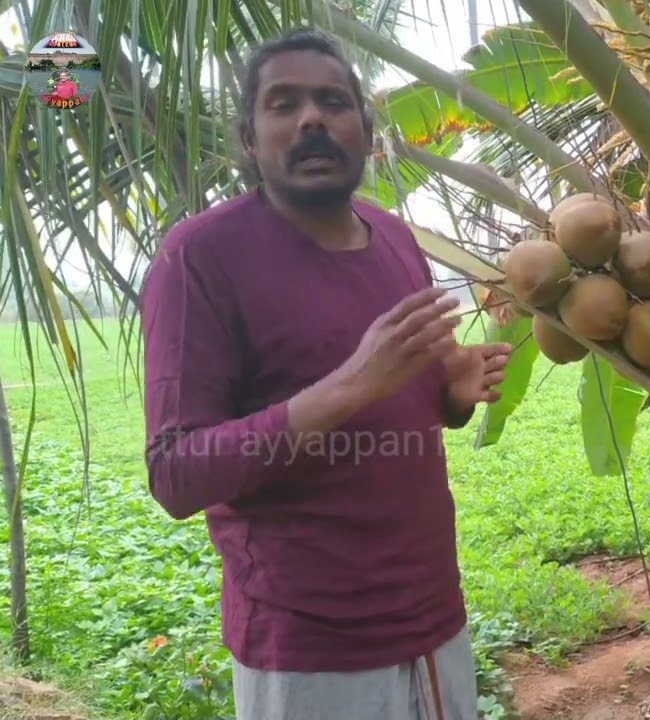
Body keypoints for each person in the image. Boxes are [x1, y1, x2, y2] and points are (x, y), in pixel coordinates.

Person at [139, 26, 510, 720]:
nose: (312, 118)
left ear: (366, 131)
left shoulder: (396, 239)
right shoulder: (200, 258)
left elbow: (411, 408)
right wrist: (351, 383)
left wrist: (452, 396)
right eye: (283, 104)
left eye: (333, 101)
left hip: (436, 620)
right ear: (250, 139)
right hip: (308, 648)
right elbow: (176, 473)